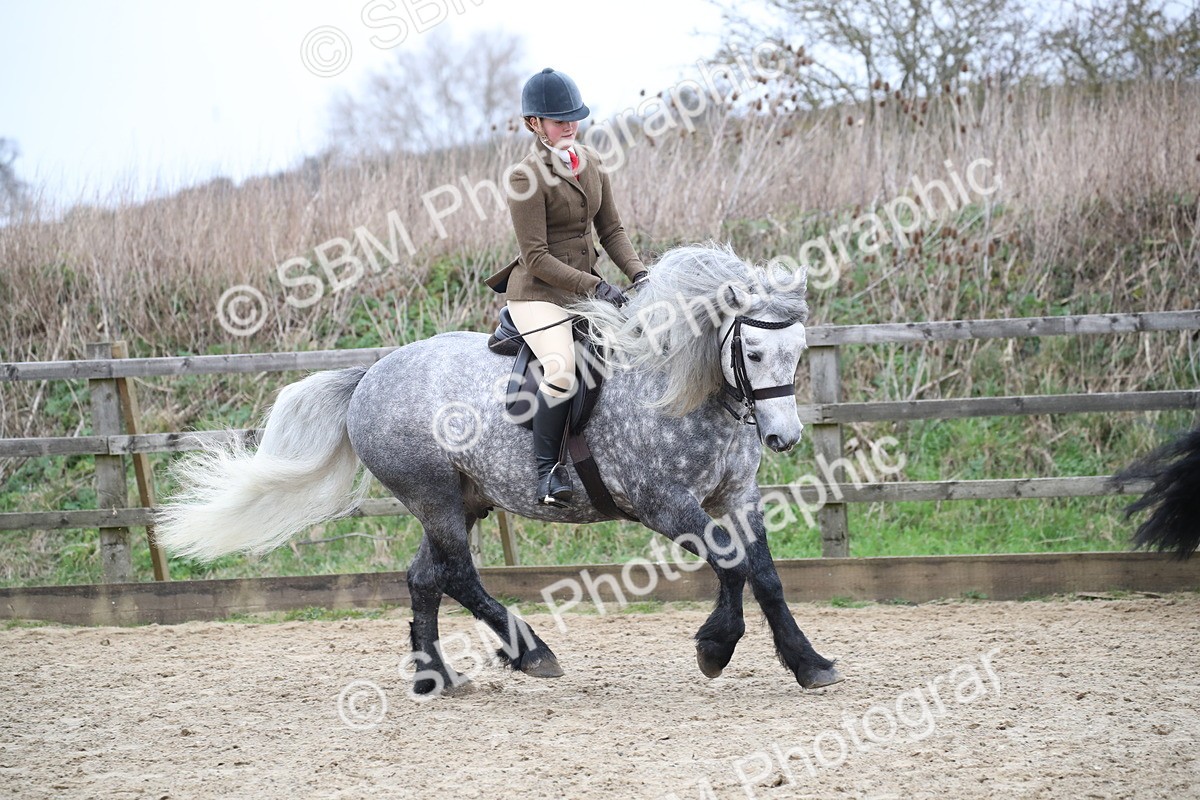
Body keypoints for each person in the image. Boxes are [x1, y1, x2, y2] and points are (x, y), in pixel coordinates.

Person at [485, 67, 648, 507]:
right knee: (559, 370)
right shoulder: (525, 178)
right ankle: (547, 472)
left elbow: (611, 230)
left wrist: (639, 275)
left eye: (573, 117)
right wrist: (596, 286)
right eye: (559, 121)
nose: (569, 126)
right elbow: (536, 257)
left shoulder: (592, 163)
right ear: (534, 124)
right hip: (538, 295)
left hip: (584, 291)